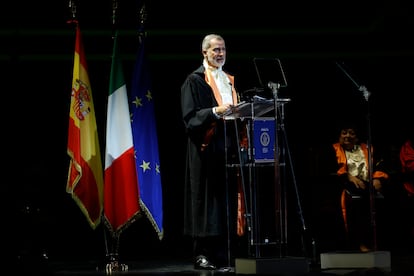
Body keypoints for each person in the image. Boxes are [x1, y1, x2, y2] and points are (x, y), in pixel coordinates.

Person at [180, 34, 244, 270]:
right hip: (204, 149)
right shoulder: (194, 81)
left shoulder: (228, 80)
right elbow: (190, 119)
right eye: (216, 50)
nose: (220, 54)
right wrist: (215, 111)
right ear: (204, 52)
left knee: (225, 200)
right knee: (205, 201)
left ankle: (224, 253)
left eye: (223, 49)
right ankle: (202, 253)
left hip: (228, 146)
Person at [320, 122, 389, 252]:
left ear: (357, 137)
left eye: (352, 133)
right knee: (355, 205)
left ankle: (378, 241)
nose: (348, 136)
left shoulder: (367, 148)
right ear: (339, 136)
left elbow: (379, 164)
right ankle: (358, 243)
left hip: (368, 186)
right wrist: (350, 177)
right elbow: (331, 170)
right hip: (343, 187)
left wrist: (377, 178)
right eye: (344, 132)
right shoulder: (333, 149)